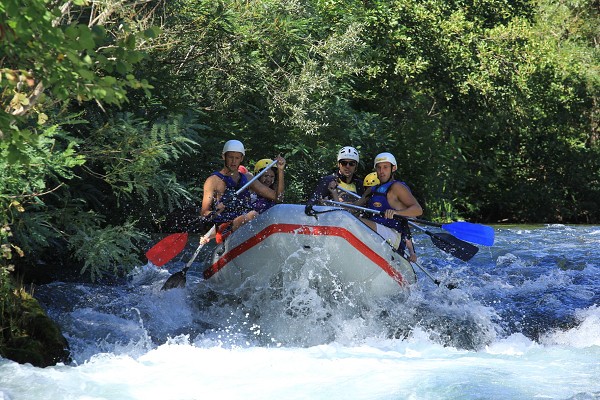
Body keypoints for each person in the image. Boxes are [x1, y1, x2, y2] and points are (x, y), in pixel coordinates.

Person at [200, 140, 285, 243]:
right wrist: (216, 211)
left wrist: (280, 170)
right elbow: (204, 213)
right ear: (224, 157)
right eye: (230, 157)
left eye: (237, 158)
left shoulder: (248, 179)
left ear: (242, 158)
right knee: (252, 215)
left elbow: (278, 198)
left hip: (246, 223)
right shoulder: (213, 181)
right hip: (224, 227)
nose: (233, 161)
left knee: (256, 215)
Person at [358, 152, 421, 262]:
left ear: (393, 168)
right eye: (379, 168)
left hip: (394, 236)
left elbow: (418, 210)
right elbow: (354, 207)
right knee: (351, 219)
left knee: (358, 222)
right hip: (376, 233)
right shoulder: (372, 190)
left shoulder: (397, 187)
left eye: (385, 167)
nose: (382, 171)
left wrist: (397, 213)